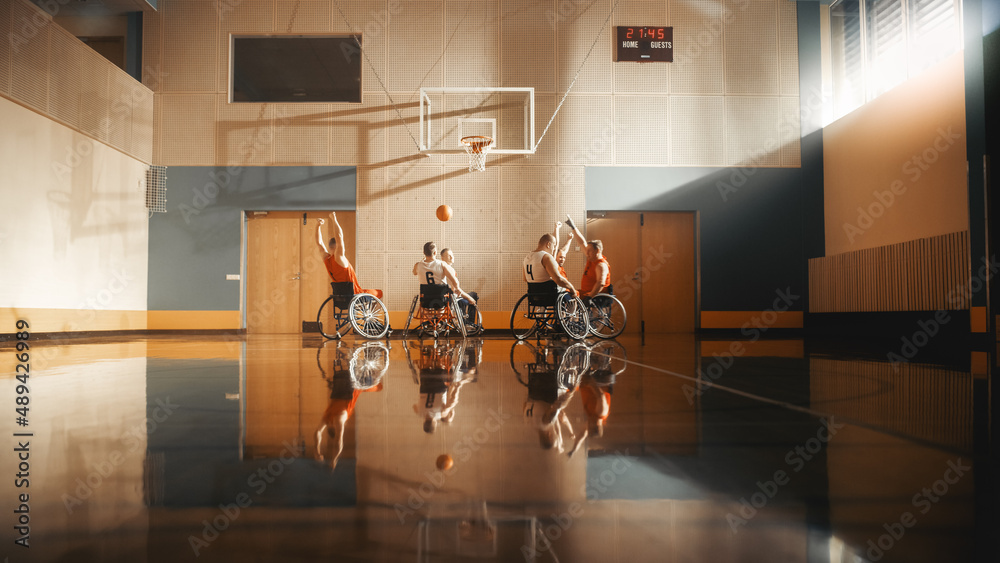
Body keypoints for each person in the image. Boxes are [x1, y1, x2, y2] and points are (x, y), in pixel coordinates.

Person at [316, 212, 383, 299]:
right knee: (379, 292)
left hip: (340, 297)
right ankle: (368, 311)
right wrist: (334, 219)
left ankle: (366, 309)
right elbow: (339, 236)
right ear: (337, 247)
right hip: (355, 294)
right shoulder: (339, 257)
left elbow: (319, 243)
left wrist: (318, 226)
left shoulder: (326, 259)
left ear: (330, 247)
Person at [566, 216, 610, 299]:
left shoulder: (601, 265)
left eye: (589, 250)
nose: (587, 252)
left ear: (597, 250)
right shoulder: (591, 258)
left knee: (571, 297)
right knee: (567, 294)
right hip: (586, 292)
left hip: (596, 295)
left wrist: (590, 297)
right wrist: (573, 227)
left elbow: (601, 283)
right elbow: (581, 242)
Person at [441, 247, 480, 326]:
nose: (452, 257)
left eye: (452, 255)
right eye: (449, 256)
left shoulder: (442, 268)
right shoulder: (448, 269)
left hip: (449, 297)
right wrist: (469, 298)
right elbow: (455, 290)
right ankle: (469, 323)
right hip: (453, 298)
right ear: (442, 258)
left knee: (472, 295)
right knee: (473, 296)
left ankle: (468, 322)